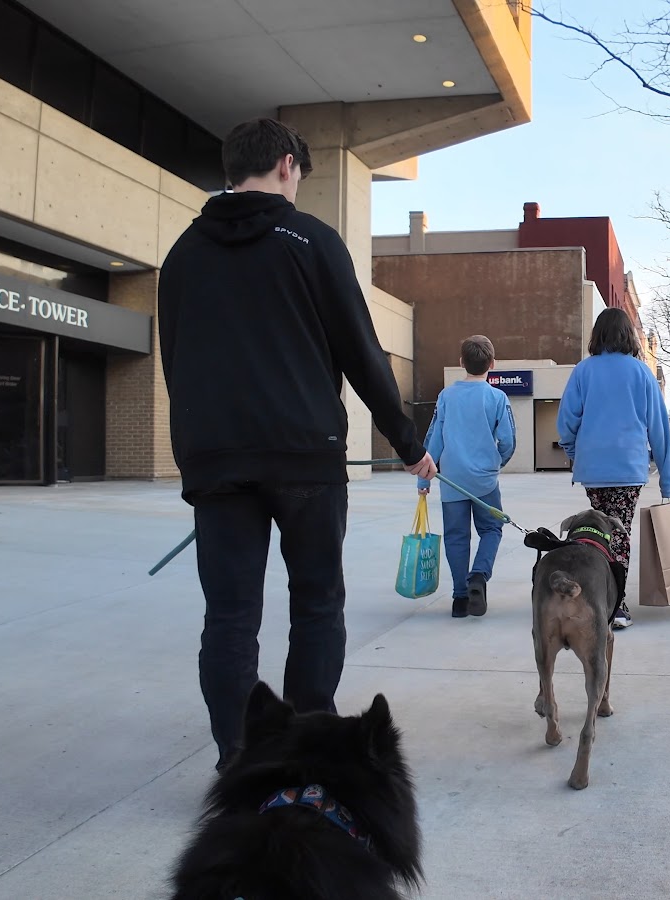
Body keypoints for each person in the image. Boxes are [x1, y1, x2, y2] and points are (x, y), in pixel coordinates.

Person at [158, 117, 437, 771]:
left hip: (218, 461)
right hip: (305, 453)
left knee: (230, 615)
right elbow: (361, 352)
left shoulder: (183, 255)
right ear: (287, 164)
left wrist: (197, 448)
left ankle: (239, 758)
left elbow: (175, 359)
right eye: (300, 176)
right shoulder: (310, 240)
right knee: (315, 602)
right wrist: (408, 443)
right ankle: (310, 744)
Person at [557, 308, 670, 629]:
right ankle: (616, 605)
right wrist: (668, 481)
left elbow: (566, 422)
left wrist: (575, 453)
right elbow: (659, 430)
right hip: (627, 468)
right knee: (619, 533)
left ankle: (598, 597)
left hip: (593, 469)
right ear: (629, 336)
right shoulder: (642, 373)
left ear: (597, 335)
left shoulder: (583, 371)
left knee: (598, 532)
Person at [417, 335, 517, 618]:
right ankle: (479, 576)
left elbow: (434, 438)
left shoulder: (446, 396)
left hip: (452, 480)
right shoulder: (497, 397)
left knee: (456, 537)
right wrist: (497, 462)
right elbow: (508, 441)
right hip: (485, 481)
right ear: (492, 364)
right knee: (492, 529)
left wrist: (424, 479)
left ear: (461, 362)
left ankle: (460, 598)